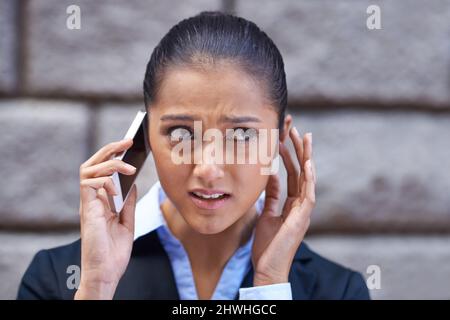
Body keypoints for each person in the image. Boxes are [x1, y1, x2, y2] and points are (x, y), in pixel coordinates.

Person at [17, 11, 370, 300]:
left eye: (242, 135)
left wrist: (271, 283)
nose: (208, 169)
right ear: (145, 135)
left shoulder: (338, 292)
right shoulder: (58, 280)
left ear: (279, 139)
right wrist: (97, 286)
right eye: (181, 133)